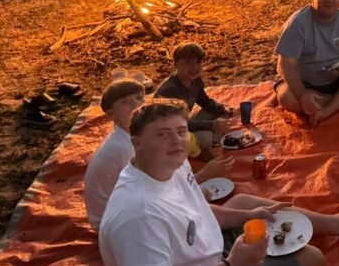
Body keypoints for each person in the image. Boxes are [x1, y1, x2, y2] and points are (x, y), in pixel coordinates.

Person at [99, 99, 325, 266]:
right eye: (162, 134)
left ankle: (338, 223)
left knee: (247, 205)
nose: (176, 140)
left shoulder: (171, 163)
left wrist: (249, 216)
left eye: (181, 131)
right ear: (137, 143)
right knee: (312, 259)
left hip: (210, 253)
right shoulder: (139, 216)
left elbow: (198, 209)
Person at [84, 81, 235, 229]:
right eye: (125, 102)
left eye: (139, 98)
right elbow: (158, 192)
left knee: (212, 196)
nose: (136, 105)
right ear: (110, 113)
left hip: (137, 205)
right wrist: (206, 173)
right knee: (204, 198)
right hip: (118, 221)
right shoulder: (127, 148)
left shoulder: (134, 136)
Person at [155, 42, 233, 157]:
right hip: (168, 131)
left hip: (183, 119)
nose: (194, 67)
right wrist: (210, 125)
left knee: (221, 113)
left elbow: (205, 102)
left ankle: (210, 138)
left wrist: (223, 109)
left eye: (198, 62)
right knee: (205, 138)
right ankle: (204, 146)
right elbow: (176, 124)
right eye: (187, 63)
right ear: (175, 64)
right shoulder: (171, 90)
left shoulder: (195, 80)